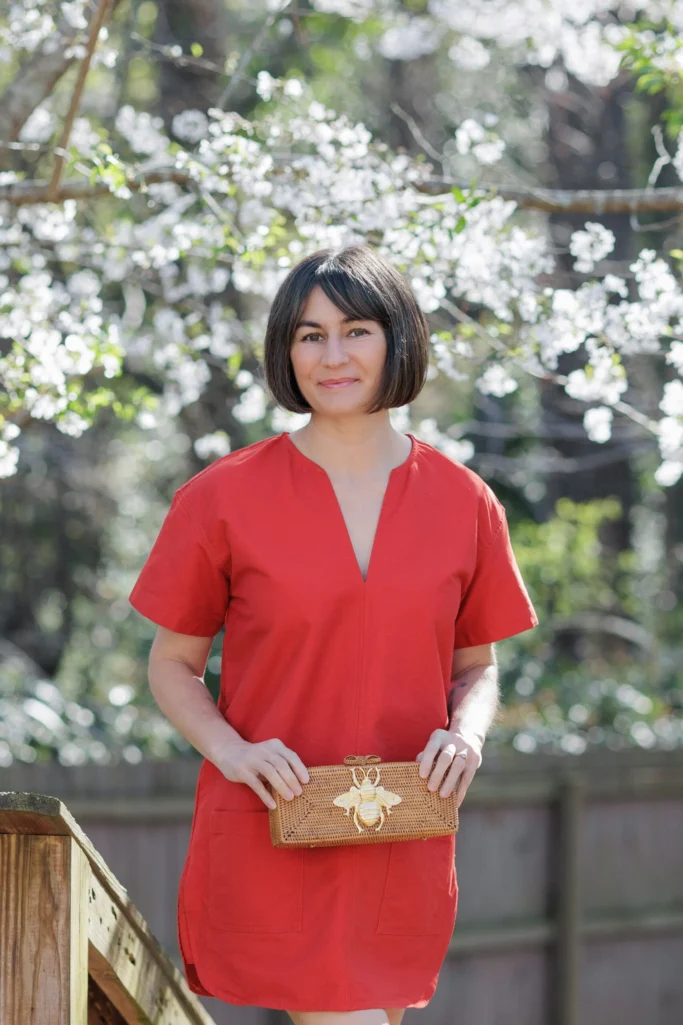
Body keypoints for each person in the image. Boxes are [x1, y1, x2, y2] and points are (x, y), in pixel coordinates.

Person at [129, 243, 539, 1024]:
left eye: (355, 330)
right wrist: (234, 750)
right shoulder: (219, 498)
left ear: (398, 339)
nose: (332, 354)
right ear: (286, 351)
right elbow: (172, 663)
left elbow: (476, 666)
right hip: (272, 820)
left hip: (400, 827)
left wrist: (467, 735)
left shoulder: (465, 501)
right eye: (308, 335)